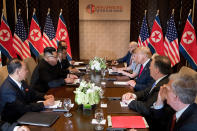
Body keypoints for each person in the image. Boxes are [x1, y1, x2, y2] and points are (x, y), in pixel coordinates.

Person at [150, 67, 197, 131]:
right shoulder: (175, 109)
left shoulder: (189, 127)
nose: (163, 88)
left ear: (176, 96)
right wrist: (160, 101)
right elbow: (159, 125)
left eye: (167, 88)